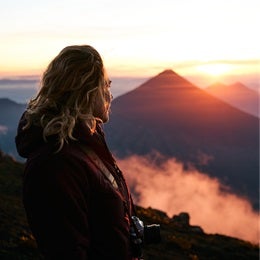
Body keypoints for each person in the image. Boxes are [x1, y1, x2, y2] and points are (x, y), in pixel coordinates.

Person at [15, 45, 139, 259]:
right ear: (87, 90)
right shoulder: (55, 163)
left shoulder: (86, 146)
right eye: (106, 84)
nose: (110, 93)